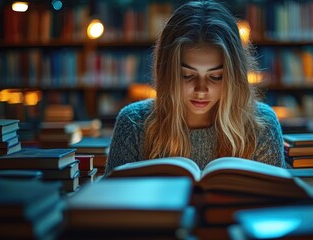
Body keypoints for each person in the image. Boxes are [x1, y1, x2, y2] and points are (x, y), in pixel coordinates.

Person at [105, 0, 285, 173]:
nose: (201, 89)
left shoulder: (262, 125)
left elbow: (276, 202)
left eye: (215, 77)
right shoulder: (133, 124)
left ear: (234, 77)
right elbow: (113, 201)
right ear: (167, 74)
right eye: (187, 75)